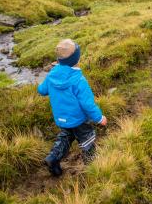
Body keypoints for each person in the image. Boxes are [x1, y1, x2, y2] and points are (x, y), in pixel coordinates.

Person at [38, 39, 107, 177]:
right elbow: (87, 104)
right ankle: (93, 166)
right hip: (79, 119)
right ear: (77, 58)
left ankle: (53, 158)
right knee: (87, 138)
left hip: (61, 117)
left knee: (66, 136)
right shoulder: (79, 80)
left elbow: (41, 90)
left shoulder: (52, 74)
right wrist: (99, 118)